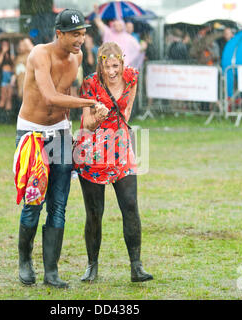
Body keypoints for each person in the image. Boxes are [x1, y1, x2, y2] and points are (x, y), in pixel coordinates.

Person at [15, 8, 108, 288]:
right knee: (34, 200)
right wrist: (90, 103)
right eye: (75, 35)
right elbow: (51, 96)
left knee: (59, 204)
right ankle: (25, 261)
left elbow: (68, 94)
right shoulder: (39, 54)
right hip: (32, 132)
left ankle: (51, 271)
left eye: (83, 34)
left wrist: (88, 120)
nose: (81, 40)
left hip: (60, 132)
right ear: (60, 33)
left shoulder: (77, 57)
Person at [74, 42, 153, 283]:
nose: (111, 71)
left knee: (130, 205)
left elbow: (127, 110)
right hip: (93, 150)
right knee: (95, 212)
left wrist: (117, 124)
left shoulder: (131, 77)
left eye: (115, 66)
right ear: (100, 63)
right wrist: (98, 117)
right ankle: (92, 266)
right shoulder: (90, 83)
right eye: (107, 66)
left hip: (120, 146)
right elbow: (86, 123)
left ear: (122, 62)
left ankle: (136, 266)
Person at [92, 4, 144, 69]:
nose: (118, 26)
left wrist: (143, 46)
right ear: (113, 25)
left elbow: (138, 49)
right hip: (109, 67)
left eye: (120, 24)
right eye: (116, 24)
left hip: (123, 67)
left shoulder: (128, 37)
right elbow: (98, 22)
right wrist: (97, 13)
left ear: (123, 25)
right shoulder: (108, 33)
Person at [13, 36, 34, 117]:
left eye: (22, 45)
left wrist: (29, 45)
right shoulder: (18, 57)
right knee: (22, 99)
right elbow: (16, 68)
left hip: (28, 81)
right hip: (20, 81)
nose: (20, 47)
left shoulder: (30, 55)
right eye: (19, 45)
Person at [0, 39, 15, 122]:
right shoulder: (0, 54)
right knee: (3, 97)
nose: (5, 46)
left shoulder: (11, 55)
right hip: (3, 75)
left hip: (10, 75)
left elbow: (13, 66)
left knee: (9, 97)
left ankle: (8, 119)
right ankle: (1, 118)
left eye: (6, 45)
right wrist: (3, 52)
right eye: (3, 45)